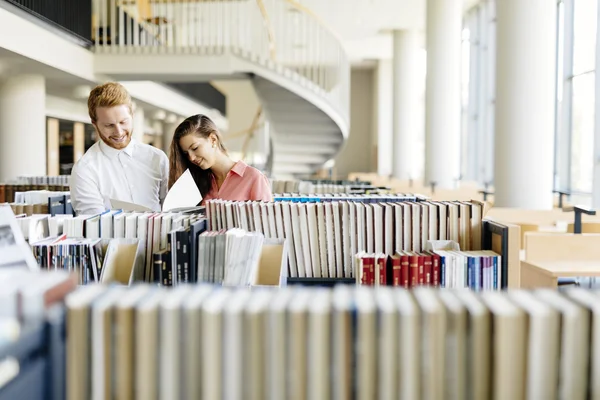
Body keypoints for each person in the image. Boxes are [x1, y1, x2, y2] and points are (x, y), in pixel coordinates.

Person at [70, 82, 169, 215]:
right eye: (109, 125)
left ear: (132, 115)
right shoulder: (85, 169)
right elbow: (94, 223)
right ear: (95, 124)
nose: (119, 132)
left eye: (123, 122)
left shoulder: (157, 158)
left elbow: (170, 210)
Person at [169, 114, 272, 204]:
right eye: (186, 153)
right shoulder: (197, 181)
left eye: (195, 148)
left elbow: (267, 222)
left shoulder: (254, 178)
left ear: (213, 139)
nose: (191, 158)